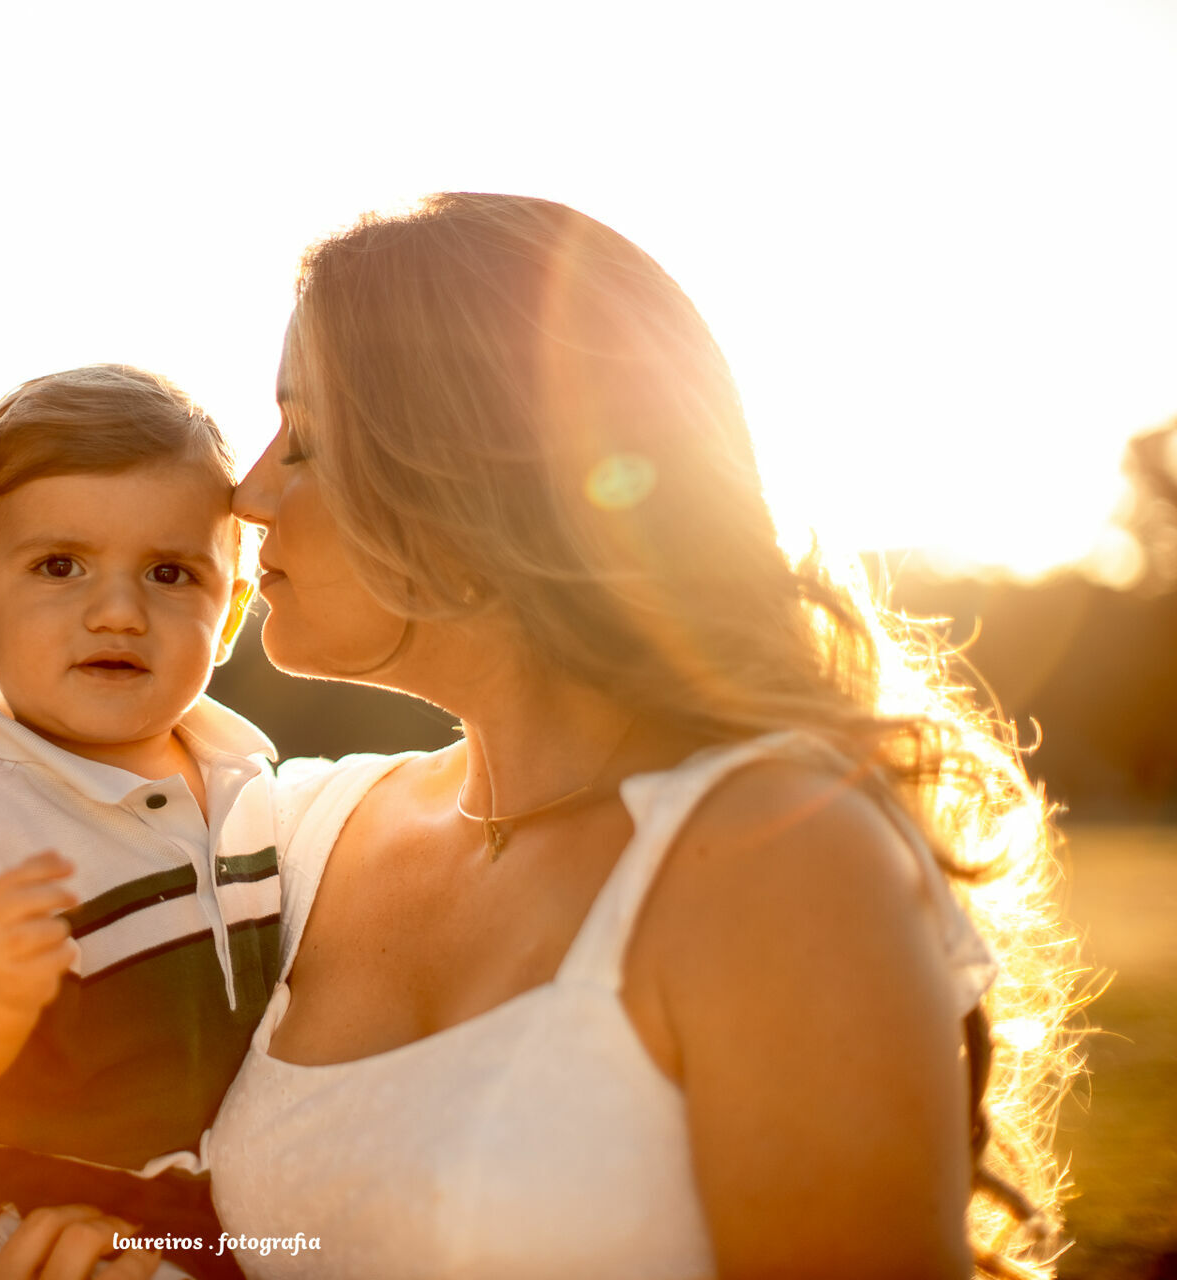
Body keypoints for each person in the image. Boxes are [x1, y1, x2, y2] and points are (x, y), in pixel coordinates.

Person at [199, 194, 1075, 1278]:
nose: (244, 492)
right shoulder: (299, 835)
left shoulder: (774, 860)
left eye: (308, 440)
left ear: (475, 479)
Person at [0, 366, 278, 1280]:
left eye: (170, 573)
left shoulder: (251, 783)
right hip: (34, 1210)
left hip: (206, 1214)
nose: (119, 611)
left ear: (234, 611)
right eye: (60, 566)